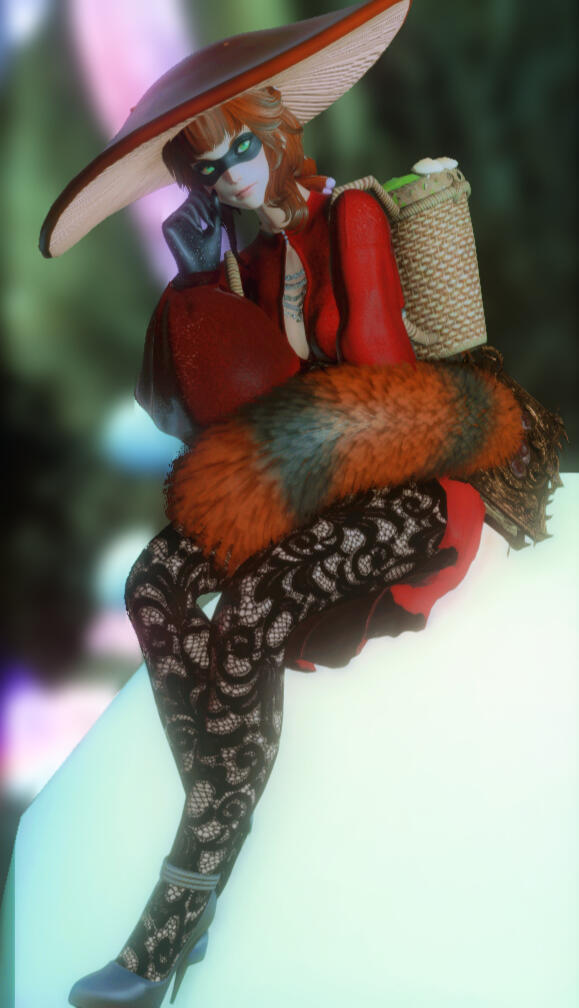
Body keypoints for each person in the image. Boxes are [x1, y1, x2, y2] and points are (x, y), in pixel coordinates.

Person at [40, 4, 522, 1005]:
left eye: (241, 150)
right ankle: (219, 822)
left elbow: (382, 390)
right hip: (286, 484)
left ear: (279, 132)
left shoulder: (351, 218)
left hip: (402, 483)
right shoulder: (241, 259)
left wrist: (273, 397)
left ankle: (170, 922)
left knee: (254, 604)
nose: (227, 178)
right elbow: (211, 410)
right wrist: (201, 290)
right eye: (205, 169)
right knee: (153, 583)